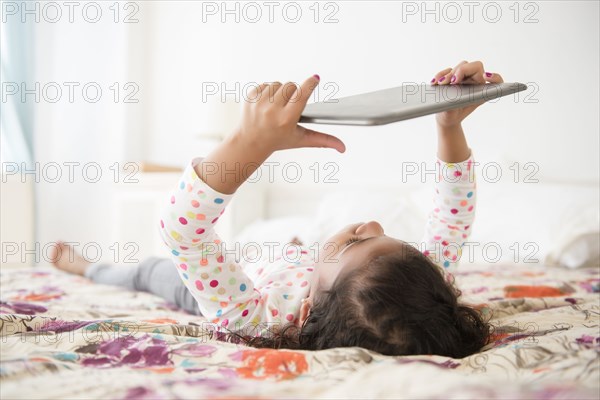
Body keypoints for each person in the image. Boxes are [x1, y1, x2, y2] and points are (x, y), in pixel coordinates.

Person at [53, 60, 501, 358]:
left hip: (233, 282)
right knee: (298, 245)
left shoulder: (253, 321)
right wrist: (449, 124)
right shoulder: (421, 285)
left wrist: (248, 145)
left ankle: (90, 269)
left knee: (146, 271)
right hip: (286, 256)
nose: (371, 222)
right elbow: (452, 214)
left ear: (305, 311)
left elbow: (183, 233)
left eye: (354, 240)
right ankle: (299, 251)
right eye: (386, 237)